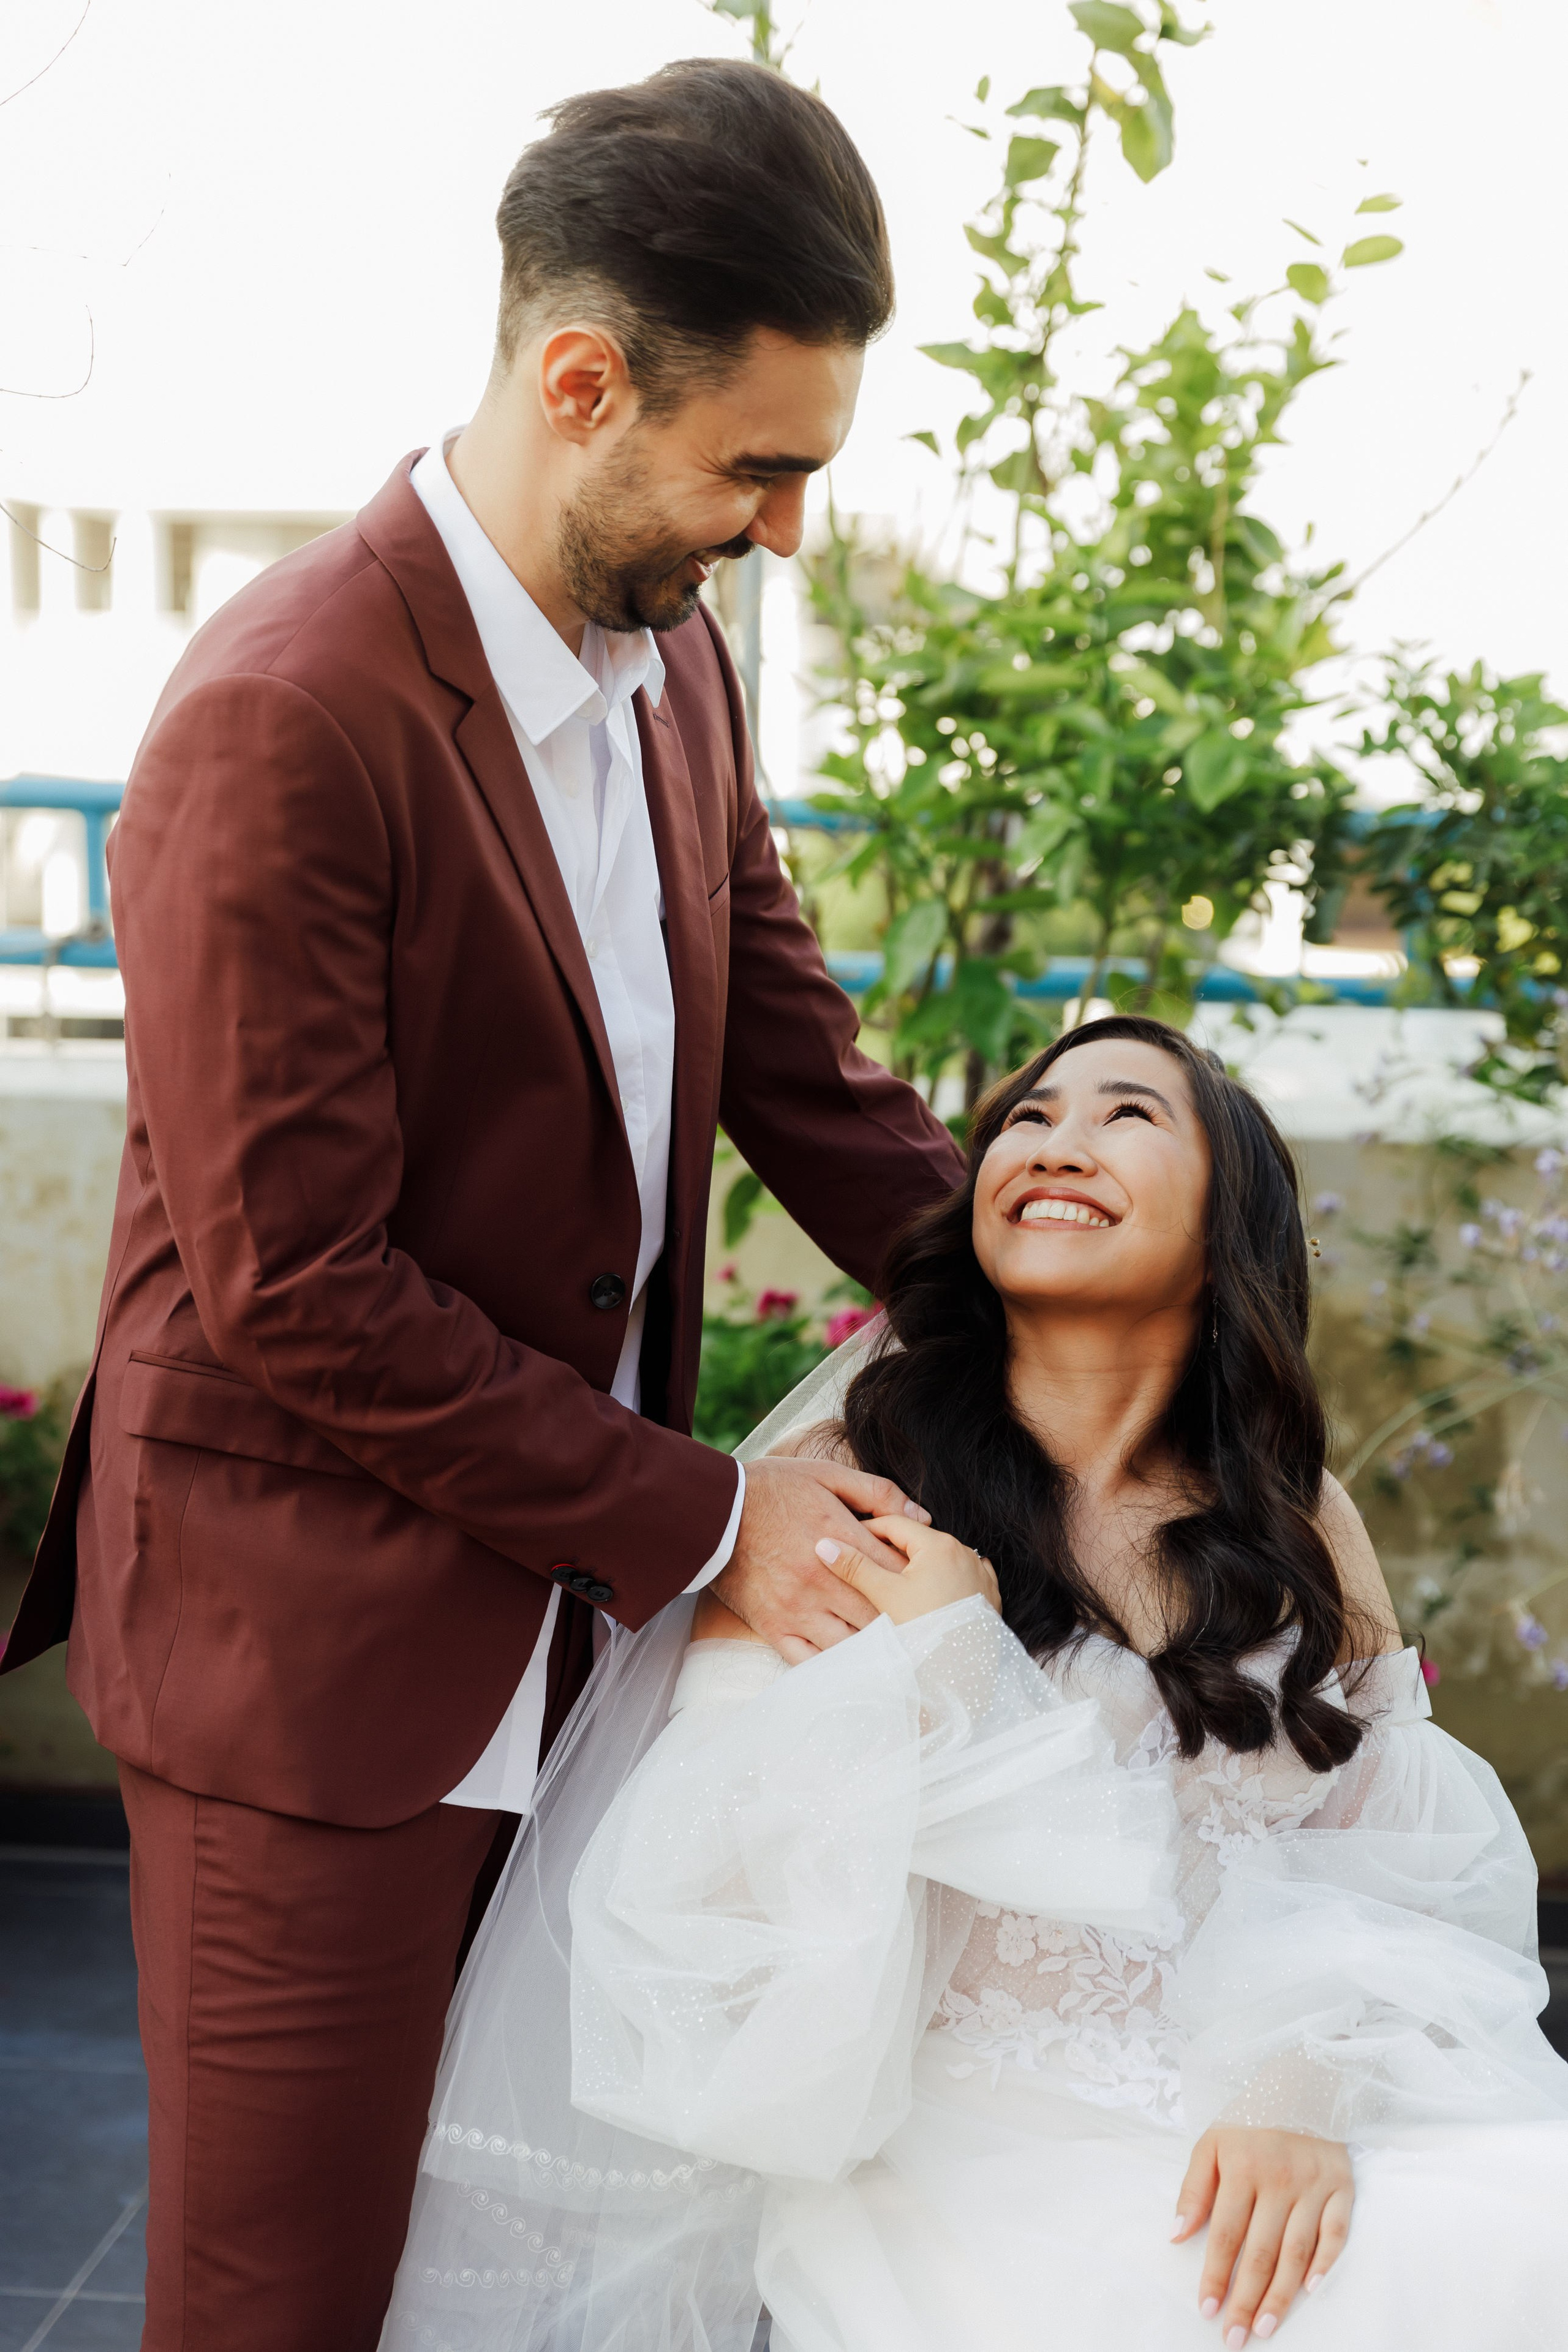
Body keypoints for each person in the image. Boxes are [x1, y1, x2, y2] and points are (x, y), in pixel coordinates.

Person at [0, 59, 965, 2352]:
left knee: (495, 2275)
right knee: (284, 2301)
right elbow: (300, 1287)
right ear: (582, 382)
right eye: (760, 468)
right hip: (308, 1661)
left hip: (571, 1641)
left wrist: (1108, 1318)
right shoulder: (282, 714)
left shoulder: (679, 666)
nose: (786, 532)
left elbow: (798, 1063)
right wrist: (716, 1523)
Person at [382, 1017, 1568, 2352]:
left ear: (1228, 1220)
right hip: (952, 2152)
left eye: (1126, 1114)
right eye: (1026, 1118)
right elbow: (706, 1915)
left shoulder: (1300, 1520)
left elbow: (1391, 1871)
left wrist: (1294, 2092)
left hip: (1255, 2113)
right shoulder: (850, 1484)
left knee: (1529, 2231)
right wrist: (951, 1664)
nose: (1054, 1143)